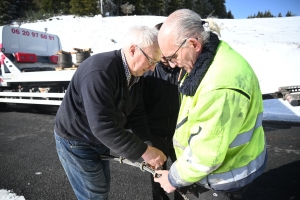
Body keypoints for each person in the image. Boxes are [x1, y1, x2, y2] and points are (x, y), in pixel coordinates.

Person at [154, 9, 268, 200]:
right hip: (229, 162)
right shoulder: (209, 58)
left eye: (173, 57)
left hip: (224, 177)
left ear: (193, 44)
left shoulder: (219, 86)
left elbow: (206, 155)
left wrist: (173, 178)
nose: (172, 65)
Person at [54, 25, 167, 200]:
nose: (153, 68)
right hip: (76, 140)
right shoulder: (100, 71)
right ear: (132, 50)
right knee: (94, 193)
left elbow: (137, 114)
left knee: (102, 186)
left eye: (156, 63)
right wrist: (145, 151)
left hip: (98, 139)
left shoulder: (136, 76)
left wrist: (146, 143)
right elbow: (102, 126)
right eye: (151, 61)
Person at [143, 23, 185, 200]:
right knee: (159, 182)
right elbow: (140, 110)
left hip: (181, 136)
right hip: (156, 137)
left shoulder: (186, 70)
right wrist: (146, 142)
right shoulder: (148, 73)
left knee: (184, 180)